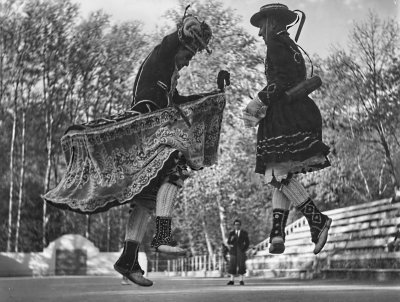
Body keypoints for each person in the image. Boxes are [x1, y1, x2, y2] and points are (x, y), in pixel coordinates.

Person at [43, 10, 228, 287]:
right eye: (188, 57)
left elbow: (180, 103)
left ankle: (128, 261)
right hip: (144, 132)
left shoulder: (170, 78)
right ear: (179, 46)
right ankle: (163, 236)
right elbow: (171, 43)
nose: (188, 64)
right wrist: (189, 32)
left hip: (153, 135)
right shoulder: (163, 55)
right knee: (177, 161)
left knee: (144, 201)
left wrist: (215, 94)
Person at [243, 3, 332, 255]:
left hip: (284, 116)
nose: (260, 33)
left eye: (261, 26)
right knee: (279, 175)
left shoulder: (275, 44)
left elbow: (281, 81)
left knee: (276, 173)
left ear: (271, 22)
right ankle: (277, 234)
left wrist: (258, 101)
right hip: (298, 112)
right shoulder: (290, 45)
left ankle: (317, 221)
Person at [226, 219, 250, 285]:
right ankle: (231, 280)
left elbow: (247, 242)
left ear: (240, 225)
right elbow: (228, 242)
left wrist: (244, 249)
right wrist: (231, 240)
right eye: (236, 225)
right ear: (234, 225)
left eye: (238, 225)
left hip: (241, 251)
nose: (237, 226)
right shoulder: (231, 233)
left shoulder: (244, 233)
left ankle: (241, 280)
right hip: (233, 251)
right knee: (232, 265)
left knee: (241, 265)